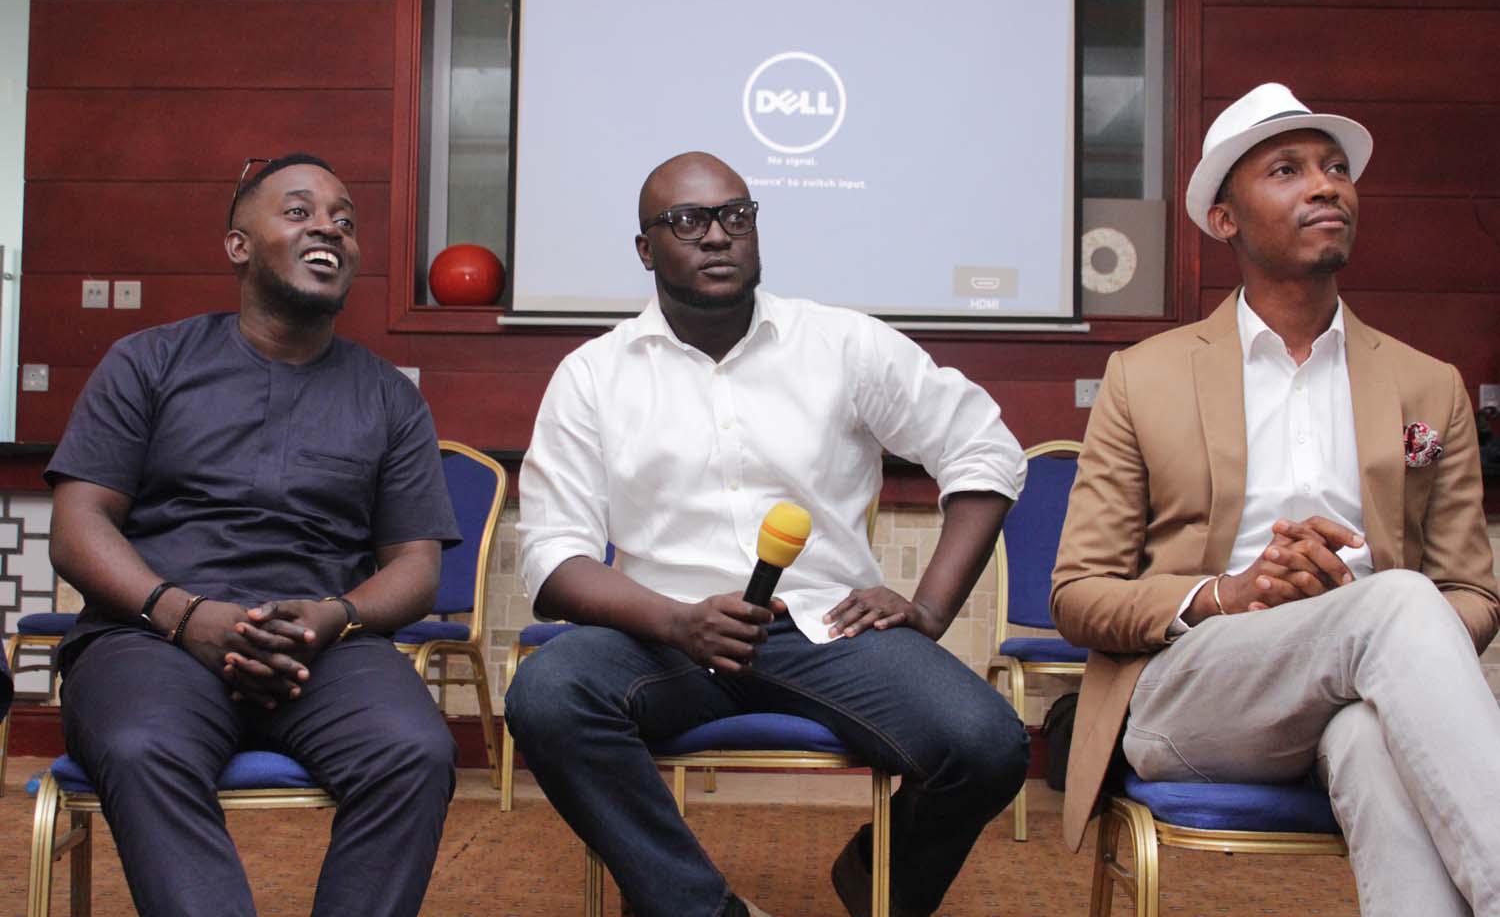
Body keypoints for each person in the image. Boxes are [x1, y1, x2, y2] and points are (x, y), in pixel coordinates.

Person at [507, 152, 1030, 917]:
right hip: (660, 634)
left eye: (737, 215)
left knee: (987, 743)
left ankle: (875, 875)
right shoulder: (594, 375)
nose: (718, 234)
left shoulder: (842, 344)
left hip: (825, 628)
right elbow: (552, 556)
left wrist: (930, 608)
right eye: (688, 221)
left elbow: (983, 447)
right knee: (548, 694)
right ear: (646, 249)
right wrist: (677, 622)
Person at [1051, 83, 1500, 916]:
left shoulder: (1427, 385)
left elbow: (1472, 591)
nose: (1326, 185)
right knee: (1396, 600)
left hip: (1364, 691)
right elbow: (1078, 596)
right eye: (1287, 171)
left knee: (1371, 734)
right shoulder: (1144, 377)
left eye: (1336, 169)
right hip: (1194, 694)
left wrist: (1362, 623)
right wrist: (1229, 593)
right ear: (1225, 219)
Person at [46, 153, 462, 917]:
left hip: (323, 647)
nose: (329, 229)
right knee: (143, 749)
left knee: (416, 751)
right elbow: (78, 527)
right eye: (300, 212)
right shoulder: (148, 362)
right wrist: (184, 615)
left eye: (344, 220)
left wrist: (334, 616)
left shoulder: (388, 398)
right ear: (238, 246)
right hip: (152, 635)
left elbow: (414, 564)